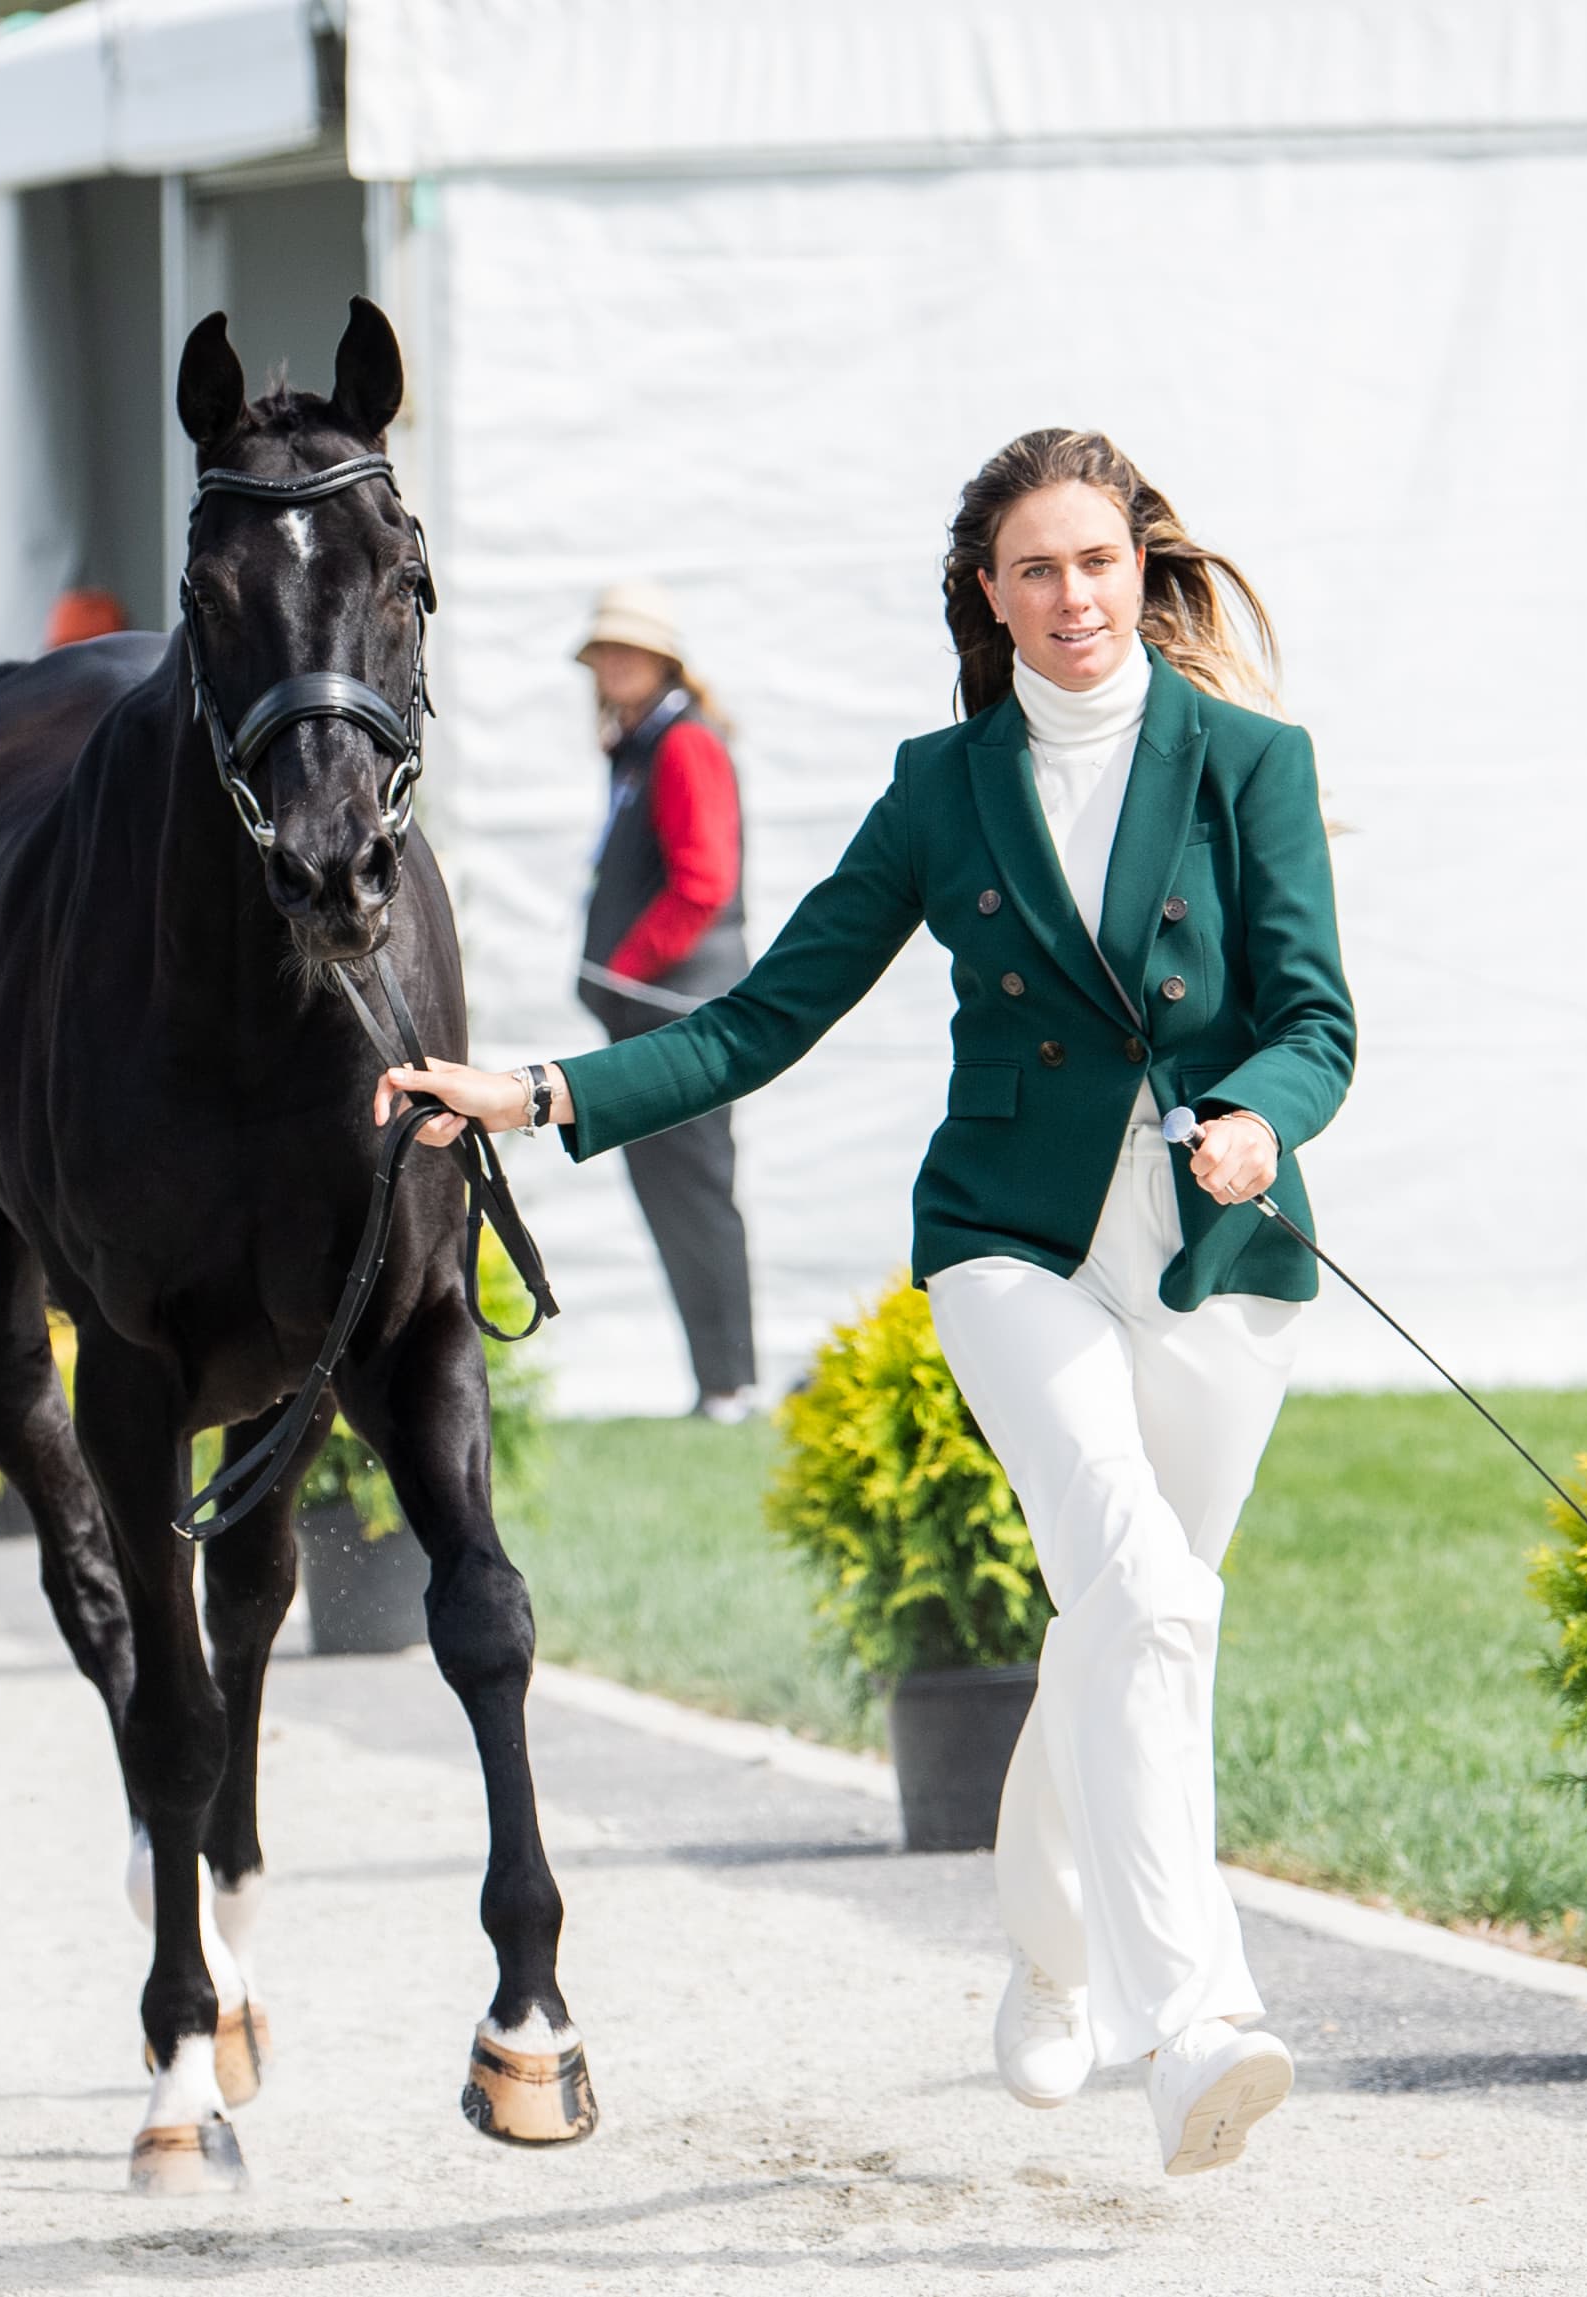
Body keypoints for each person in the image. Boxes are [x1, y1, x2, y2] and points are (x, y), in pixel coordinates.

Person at [380, 429, 1353, 2179]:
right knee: (1138, 1585)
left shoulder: (1247, 762)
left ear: (1142, 566)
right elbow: (763, 1016)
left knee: (1137, 1619)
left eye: (1098, 561)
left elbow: (1316, 1019)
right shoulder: (942, 786)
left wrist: (1260, 1121)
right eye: (1035, 570)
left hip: (1219, 1253)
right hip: (1012, 1244)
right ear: (986, 594)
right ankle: (1191, 2012)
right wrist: (540, 1092)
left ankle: (1051, 1950)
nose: (1073, 596)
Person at [569, 583, 759, 1419]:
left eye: (627, 649)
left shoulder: (683, 745)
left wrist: (618, 968)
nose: (613, 663)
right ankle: (715, 1380)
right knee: (672, 1197)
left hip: (677, 1013)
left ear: (661, 660)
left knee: (696, 1196)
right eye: (604, 650)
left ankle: (729, 1382)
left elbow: (704, 884)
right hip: (650, 1010)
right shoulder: (641, 747)